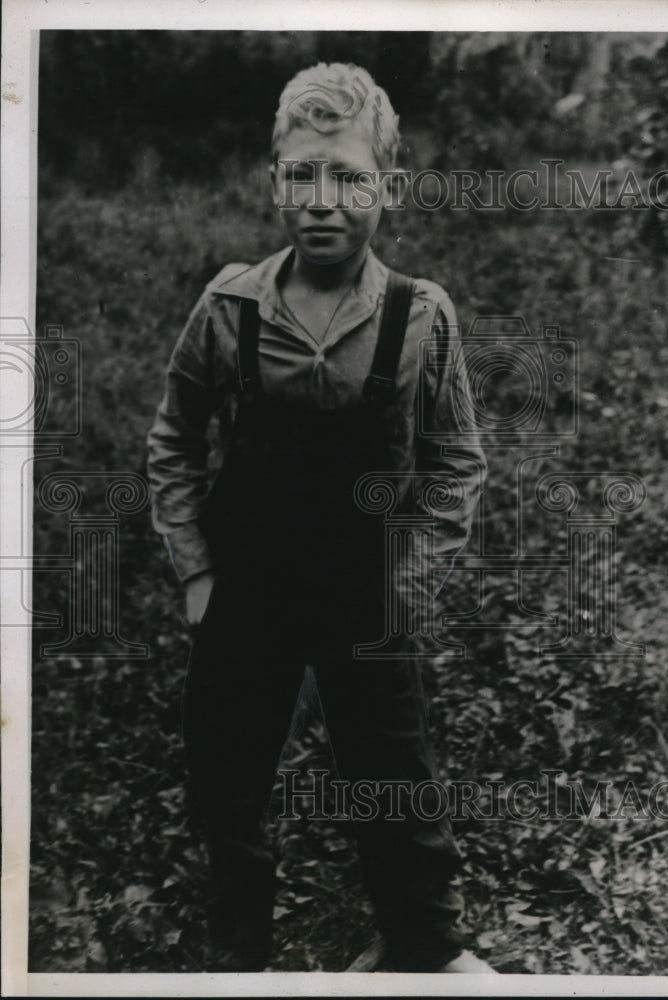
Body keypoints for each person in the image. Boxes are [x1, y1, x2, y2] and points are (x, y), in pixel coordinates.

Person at [146, 62, 494, 974]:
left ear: (388, 186)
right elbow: (173, 439)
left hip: (363, 586)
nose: (322, 201)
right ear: (274, 182)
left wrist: (402, 591)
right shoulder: (229, 307)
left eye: (347, 177)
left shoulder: (421, 317)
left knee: (392, 773)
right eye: (301, 175)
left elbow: (456, 463)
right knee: (227, 780)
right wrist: (197, 573)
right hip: (248, 582)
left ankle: (423, 949)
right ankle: (239, 960)